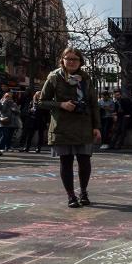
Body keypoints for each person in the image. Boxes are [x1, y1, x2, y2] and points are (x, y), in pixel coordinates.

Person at [39, 47, 101, 207]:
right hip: (62, 126)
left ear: (80, 62)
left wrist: (96, 126)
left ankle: (84, 192)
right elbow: (40, 102)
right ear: (63, 60)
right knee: (66, 162)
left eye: (75, 59)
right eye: (69, 59)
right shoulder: (54, 77)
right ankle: (71, 196)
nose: (72, 62)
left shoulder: (85, 78)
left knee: (84, 161)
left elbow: (93, 104)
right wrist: (61, 104)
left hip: (83, 124)